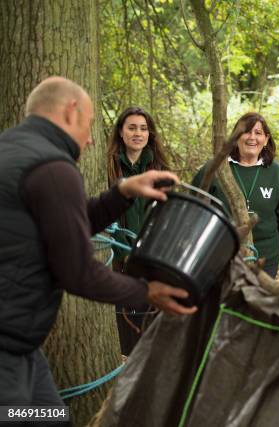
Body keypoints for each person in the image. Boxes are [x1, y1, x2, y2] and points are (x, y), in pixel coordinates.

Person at [0, 77, 196, 408]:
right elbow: (77, 271)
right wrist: (146, 292)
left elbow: (65, 227)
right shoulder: (52, 168)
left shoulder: (12, 150)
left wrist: (123, 193)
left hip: (23, 352)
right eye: (90, 125)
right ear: (71, 111)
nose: (91, 139)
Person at [192, 112, 279, 279]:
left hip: (265, 258)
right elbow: (192, 208)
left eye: (258, 133)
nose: (252, 137)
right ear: (236, 137)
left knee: (257, 303)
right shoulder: (216, 168)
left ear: (266, 139)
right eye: (247, 132)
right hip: (220, 254)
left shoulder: (276, 173)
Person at [107, 106, 170, 357]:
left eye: (143, 129)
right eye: (132, 127)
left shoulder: (159, 168)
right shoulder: (108, 166)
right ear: (121, 133)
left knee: (149, 319)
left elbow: (167, 213)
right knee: (122, 321)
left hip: (150, 258)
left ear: (149, 134)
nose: (138, 133)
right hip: (117, 258)